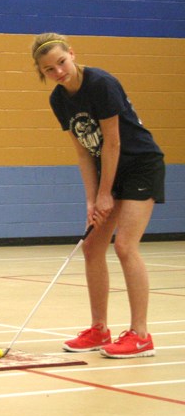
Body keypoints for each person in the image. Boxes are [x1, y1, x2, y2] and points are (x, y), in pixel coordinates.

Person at [32, 33, 165, 359]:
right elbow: (83, 153)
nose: (59, 72)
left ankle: (140, 335)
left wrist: (106, 194)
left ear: (72, 54)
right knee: (92, 246)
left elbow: (113, 143)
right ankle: (99, 329)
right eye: (49, 69)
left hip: (139, 166)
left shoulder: (101, 84)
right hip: (107, 168)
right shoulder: (58, 100)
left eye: (61, 62)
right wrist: (92, 200)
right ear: (43, 73)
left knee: (124, 245)